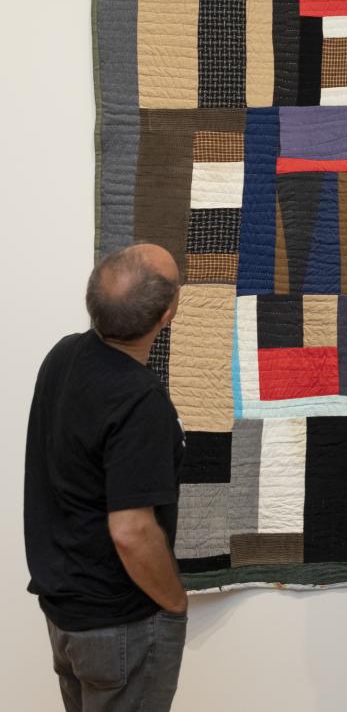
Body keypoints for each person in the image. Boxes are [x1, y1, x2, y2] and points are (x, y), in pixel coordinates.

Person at [24, 243, 188, 712]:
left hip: (66, 615)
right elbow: (131, 531)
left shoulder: (64, 354)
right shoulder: (140, 401)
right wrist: (174, 602)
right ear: (167, 315)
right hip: (118, 625)